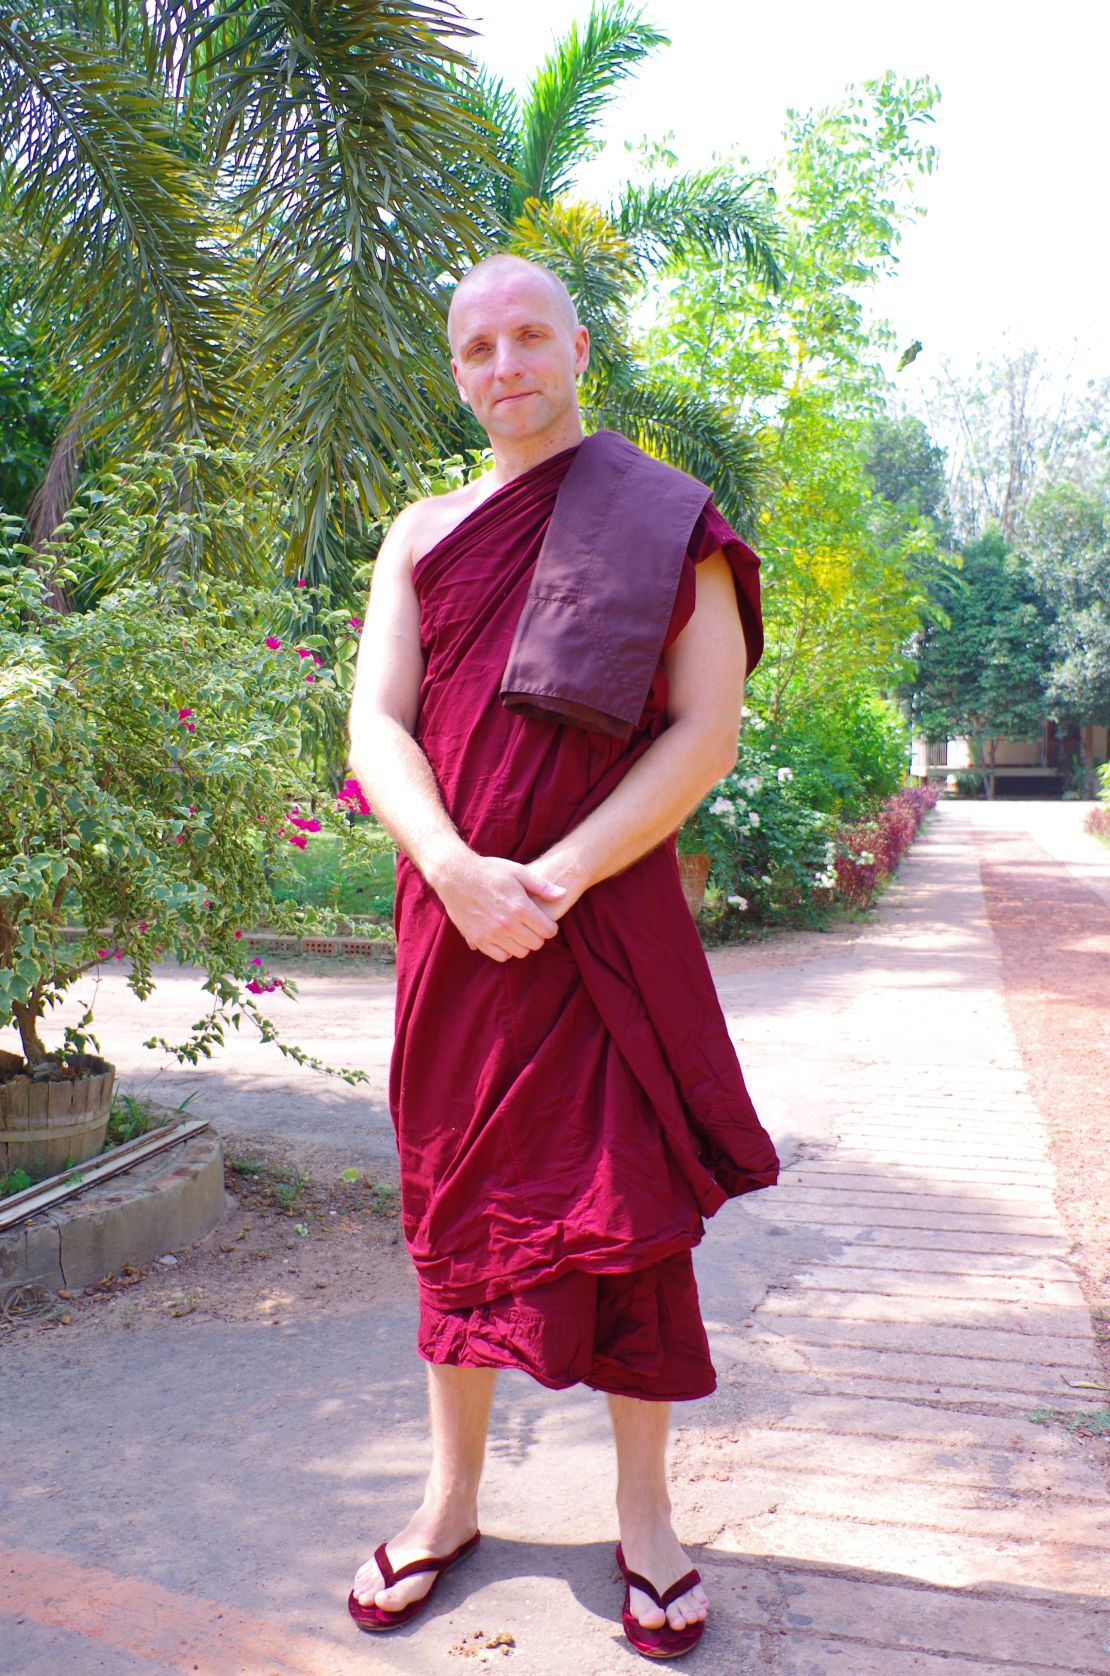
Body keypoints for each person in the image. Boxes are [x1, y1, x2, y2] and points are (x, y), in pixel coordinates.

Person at [345, 252, 778, 1659]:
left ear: (578, 347)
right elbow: (376, 727)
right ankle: (449, 1496)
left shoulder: (663, 521)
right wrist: (457, 872)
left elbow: (701, 734)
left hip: (600, 932)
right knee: (457, 1209)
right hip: (456, 933)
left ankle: (642, 1517)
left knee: (628, 1220)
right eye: (478, 347)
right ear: (455, 368)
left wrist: (555, 874)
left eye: (530, 336)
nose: (505, 365)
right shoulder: (420, 532)